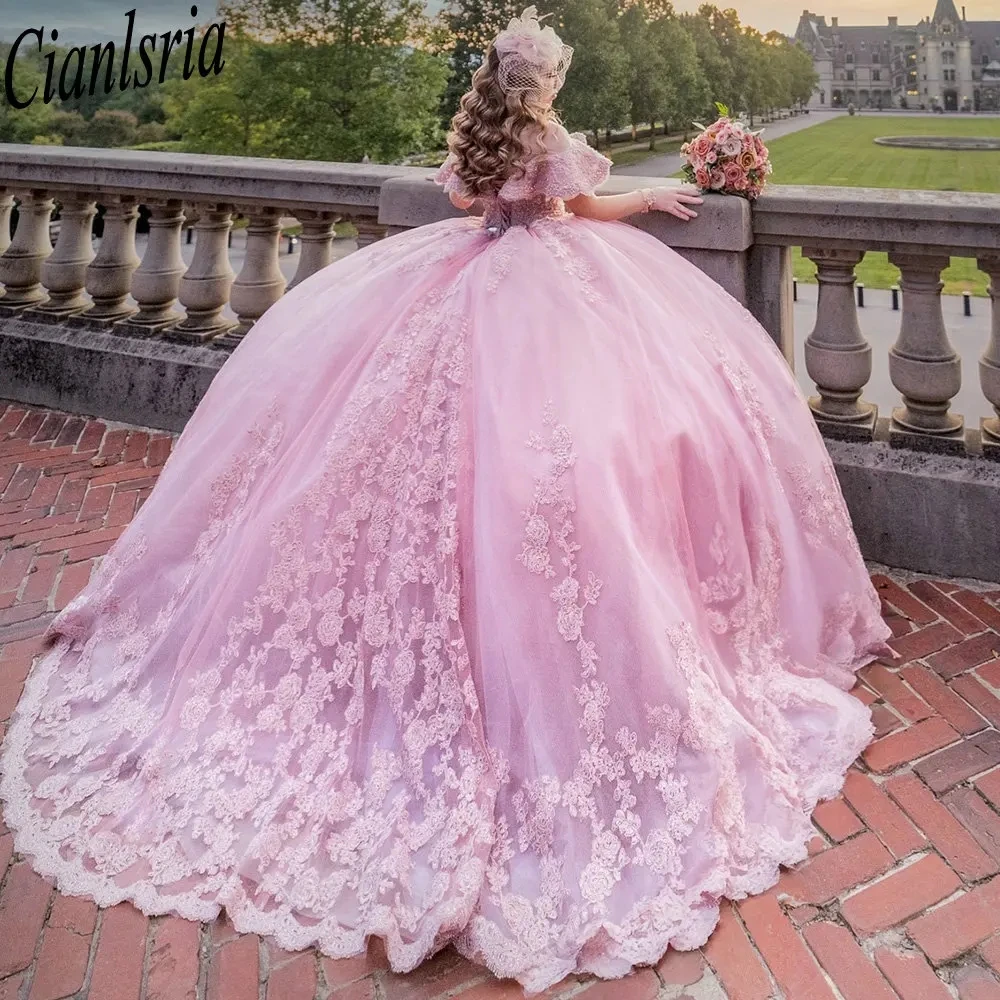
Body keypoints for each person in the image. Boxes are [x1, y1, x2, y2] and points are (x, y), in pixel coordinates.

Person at [0, 7, 891, 995]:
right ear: (539, 84)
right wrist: (645, 204)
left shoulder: (480, 135)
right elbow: (577, 210)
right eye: (550, 77)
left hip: (467, 278)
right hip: (548, 290)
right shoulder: (547, 140)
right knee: (570, 452)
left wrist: (562, 205)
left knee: (423, 458)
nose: (552, 88)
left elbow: (476, 200)